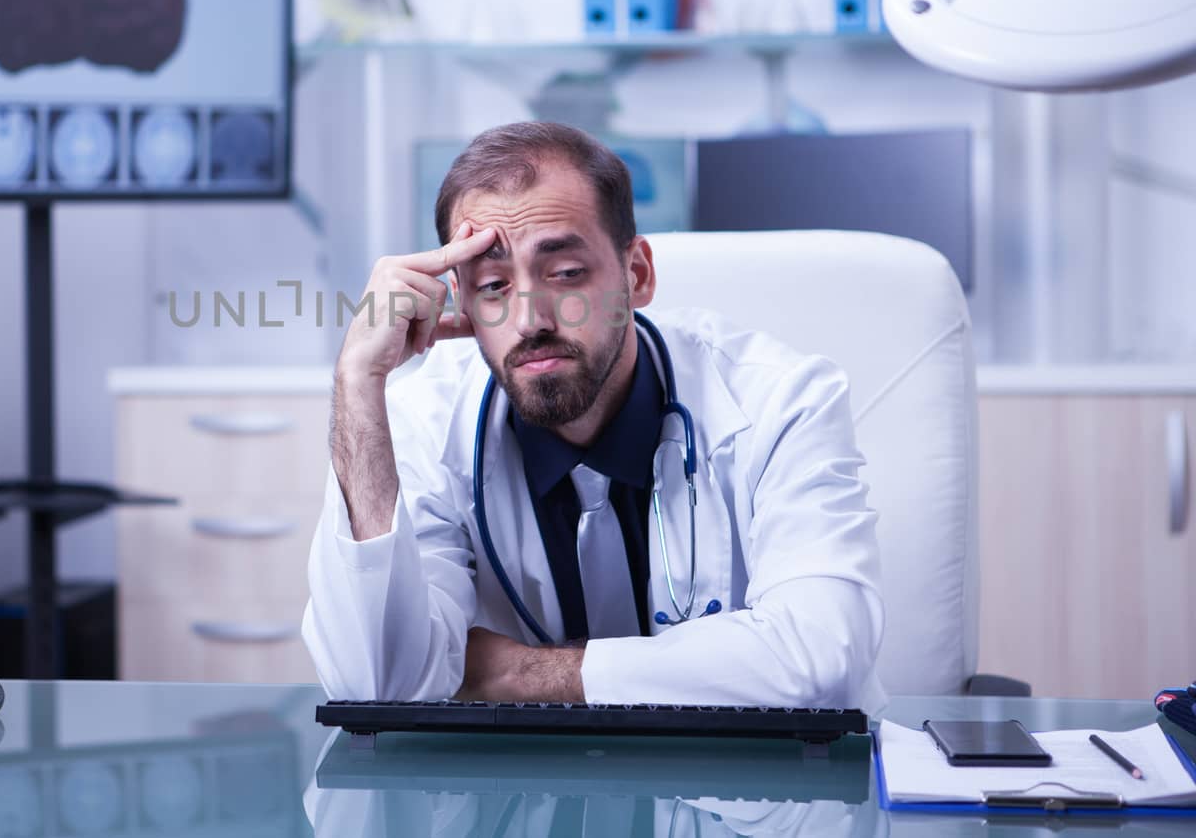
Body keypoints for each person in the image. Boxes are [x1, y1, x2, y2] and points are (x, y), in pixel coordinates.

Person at [302, 121, 885, 709]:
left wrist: (519, 676)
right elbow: (376, 686)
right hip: (517, 792)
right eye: (494, 285)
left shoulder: (782, 400)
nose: (530, 320)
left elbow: (821, 659)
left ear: (637, 275)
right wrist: (357, 381)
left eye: (565, 274)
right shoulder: (419, 422)